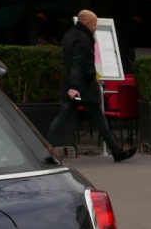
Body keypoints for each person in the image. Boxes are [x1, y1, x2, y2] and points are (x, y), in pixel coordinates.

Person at [46, 10, 135, 161]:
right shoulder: (83, 39)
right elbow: (78, 63)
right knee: (99, 120)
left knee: (62, 117)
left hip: (73, 86)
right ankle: (117, 152)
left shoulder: (70, 34)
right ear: (87, 23)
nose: (96, 27)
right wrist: (76, 86)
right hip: (84, 87)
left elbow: (71, 63)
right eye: (95, 24)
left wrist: (72, 86)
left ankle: (47, 150)